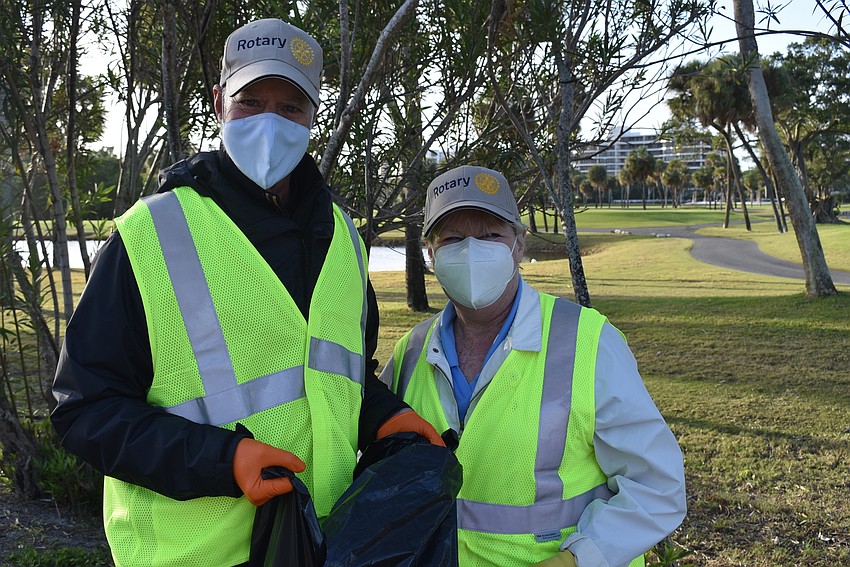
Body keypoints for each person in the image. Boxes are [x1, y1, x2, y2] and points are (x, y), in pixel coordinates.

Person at [50, 18, 442, 567]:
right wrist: (222, 459)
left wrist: (382, 414)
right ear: (218, 102)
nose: (270, 123)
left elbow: (336, 374)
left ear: (314, 114)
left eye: (291, 108)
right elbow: (85, 411)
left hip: (315, 543)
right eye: (251, 101)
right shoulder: (152, 235)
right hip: (192, 555)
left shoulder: (344, 239)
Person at [379, 165, 687, 567]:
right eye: (453, 239)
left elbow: (656, 486)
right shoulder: (411, 351)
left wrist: (579, 559)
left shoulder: (587, 341)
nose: (472, 252)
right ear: (432, 255)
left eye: (490, 235)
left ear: (519, 245)